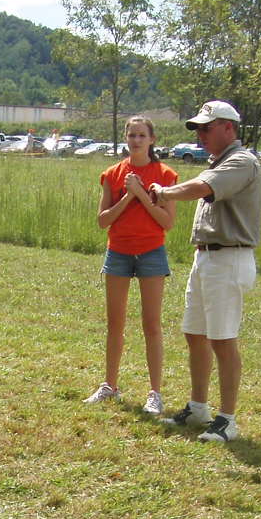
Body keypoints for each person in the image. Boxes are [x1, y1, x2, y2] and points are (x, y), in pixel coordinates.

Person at [149, 100, 261, 442]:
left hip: (229, 258)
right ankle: (198, 407)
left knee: (222, 340)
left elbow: (201, 188)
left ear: (229, 127)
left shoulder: (241, 161)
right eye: (198, 128)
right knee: (195, 333)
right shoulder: (220, 162)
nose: (200, 134)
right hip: (208, 258)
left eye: (206, 128)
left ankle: (227, 419)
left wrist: (163, 192)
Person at [83, 116, 179, 414]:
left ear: (152, 139)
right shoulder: (112, 174)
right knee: (115, 323)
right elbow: (103, 221)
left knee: (151, 324)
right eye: (131, 135)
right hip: (119, 252)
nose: (136, 140)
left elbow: (167, 222)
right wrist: (127, 196)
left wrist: (142, 195)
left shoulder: (165, 174)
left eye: (141, 135)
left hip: (151, 252)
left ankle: (155, 393)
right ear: (126, 138)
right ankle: (109, 385)